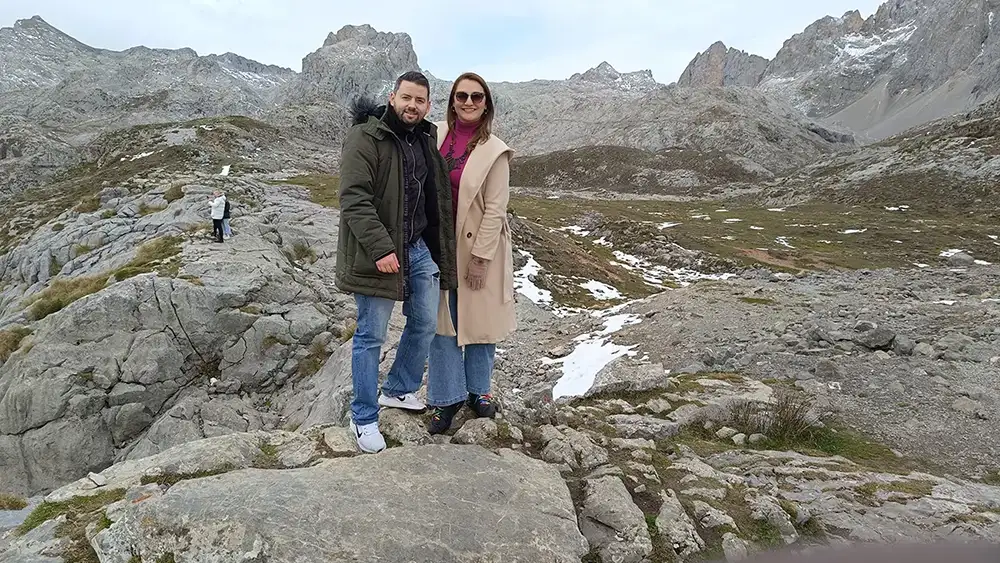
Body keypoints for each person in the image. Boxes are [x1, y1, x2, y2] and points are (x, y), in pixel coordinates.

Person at [335, 71, 458, 453]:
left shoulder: (423, 139)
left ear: (428, 106)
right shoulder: (365, 136)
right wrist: (381, 248)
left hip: (417, 248)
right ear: (392, 98)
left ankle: (399, 389)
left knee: (424, 322)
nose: (412, 106)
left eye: (420, 101)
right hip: (381, 251)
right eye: (406, 98)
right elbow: (354, 198)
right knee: (371, 336)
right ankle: (363, 417)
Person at [426, 72, 516, 434]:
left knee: (479, 320)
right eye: (461, 96)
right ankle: (447, 398)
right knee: (441, 322)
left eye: (476, 97)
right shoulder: (435, 136)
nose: (468, 102)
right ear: (452, 101)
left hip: (479, 246)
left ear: (486, 104)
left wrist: (481, 258)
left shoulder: (495, 150)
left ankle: (480, 391)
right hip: (438, 243)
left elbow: (496, 209)